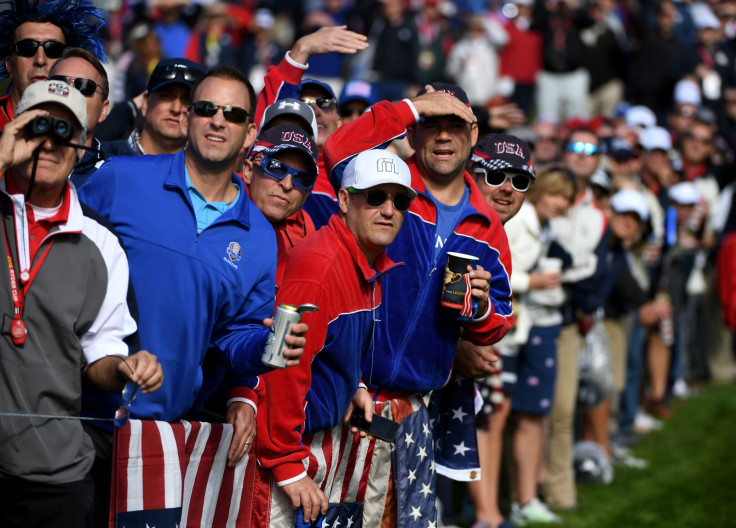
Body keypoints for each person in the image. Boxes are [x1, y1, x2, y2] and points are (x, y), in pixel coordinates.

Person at [77, 65, 307, 518]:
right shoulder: (120, 178)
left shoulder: (259, 235)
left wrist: (266, 347)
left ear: (249, 132)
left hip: (162, 437)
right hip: (81, 421)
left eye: (233, 114)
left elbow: (233, 338)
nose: (218, 120)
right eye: (206, 109)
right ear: (189, 119)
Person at [324, 82, 513, 526]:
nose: (443, 137)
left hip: (412, 408)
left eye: (455, 126)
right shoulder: (387, 186)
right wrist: (409, 107)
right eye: (431, 124)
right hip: (343, 392)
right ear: (414, 131)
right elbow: (335, 151)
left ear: (474, 133)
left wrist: (482, 307)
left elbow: (497, 323)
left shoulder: (487, 225)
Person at [0, 79, 163, 527]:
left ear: (82, 145)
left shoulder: (102, 244)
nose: (50, 142)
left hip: (52, 479)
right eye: (37, 128)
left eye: (64, 129)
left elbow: (101, 355)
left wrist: (126, 367)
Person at [254, 149, 415, 527]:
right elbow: (280, 365)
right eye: (375, 197)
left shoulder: (362, 257)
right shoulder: (319, 266)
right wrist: (287, 465)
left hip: (311, 442)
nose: (389, 210)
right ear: (343, 200)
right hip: (285, 453)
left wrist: (351, 382)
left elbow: (331, 343)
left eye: (400, 200)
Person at [462, 133, 537, 528]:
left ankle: (489, 512)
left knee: (490, 418)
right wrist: (457, 347)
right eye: (495, 176)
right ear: (471, 172)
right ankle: (486, 513)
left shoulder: (494, 231)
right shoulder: (465, 224)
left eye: (519, 181)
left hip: (468, 363)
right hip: (410, 379)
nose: (507, 188)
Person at [0, 0, 107, 130]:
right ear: (9, 65)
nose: (40, 60)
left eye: (54, 49)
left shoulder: (85, 127)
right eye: (27, 48)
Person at [101, 58, 205, 158]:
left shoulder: (207, 170)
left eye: (187, 100)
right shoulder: (103, 158)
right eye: (167, 96)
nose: (176, 109)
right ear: (145, 103)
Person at [46, 47, 109, 186]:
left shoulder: (114, 180)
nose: (69, 92)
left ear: (104, 109)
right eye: (59, 83)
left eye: (85, 86)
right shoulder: (16, 163)